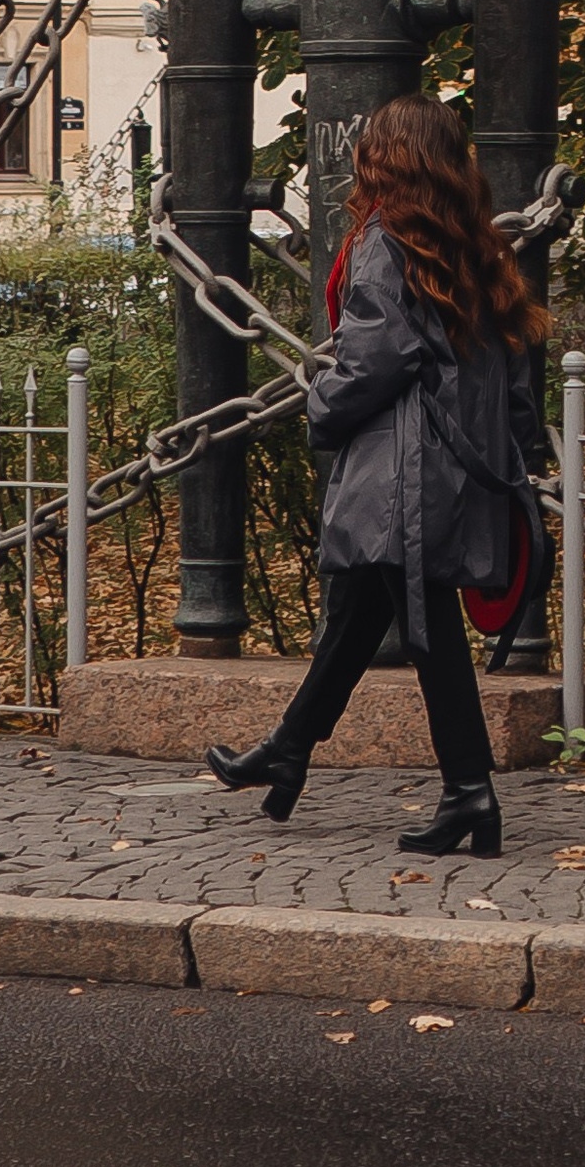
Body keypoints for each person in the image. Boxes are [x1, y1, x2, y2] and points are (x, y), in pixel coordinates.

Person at [207, 92, 546, 857]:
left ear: (383, 159)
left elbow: (374, 354)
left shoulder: (385, 240)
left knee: (429, 633)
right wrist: (512, 459)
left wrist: (321, 410)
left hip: (403, 470)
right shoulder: (481, 246)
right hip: (459, 466)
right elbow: (516, 376)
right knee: (359, 616)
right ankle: (288, 750)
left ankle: (470, 793)